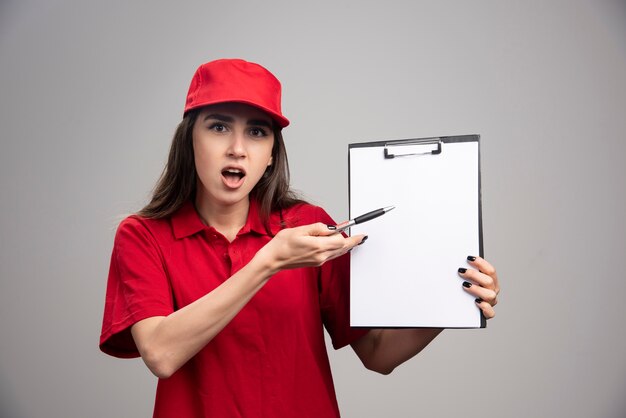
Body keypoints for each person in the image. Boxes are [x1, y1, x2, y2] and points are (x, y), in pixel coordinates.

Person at [99, 58, 500, 418]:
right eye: (219, 127)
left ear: (272, 152)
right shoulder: (142, 235)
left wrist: (454, 303)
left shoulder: (308, 225)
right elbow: (161, 353)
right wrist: (268, 262)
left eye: (257, 132)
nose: (237, 149)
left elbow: (378, 353)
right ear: (190, 139)